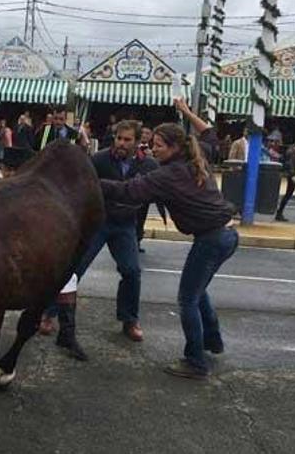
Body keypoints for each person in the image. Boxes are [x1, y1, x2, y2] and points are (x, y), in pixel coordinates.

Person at [101, 98, 238, 379]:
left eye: (159, 146)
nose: (153, 149)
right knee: (199, 291)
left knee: (187, 298)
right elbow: (209, 134)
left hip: (212, 239)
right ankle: (212, 340)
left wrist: (90, 182)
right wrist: (187, 112)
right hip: (228, 234)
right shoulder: (196, 157)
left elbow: (128, 191)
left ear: (175, 148)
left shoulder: (168, 174)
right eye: (152, 145)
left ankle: (195, 362)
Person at [72, 120, 155, 351]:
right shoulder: (98, 159)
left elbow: (160, 190)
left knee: (132, 272)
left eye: (127, 139)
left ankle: (130, 320)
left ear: (138, 142)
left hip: (126, 226)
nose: (121, 143)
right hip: (98, 223)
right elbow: (81, 187)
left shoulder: (148, 165)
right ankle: (50, 313)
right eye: (119, 138)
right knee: (74, 269)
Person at [0, 146, 37, 362]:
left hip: (27, 251)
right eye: (7, 169)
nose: (11, 174)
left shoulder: (33, 195)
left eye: (16, 170)